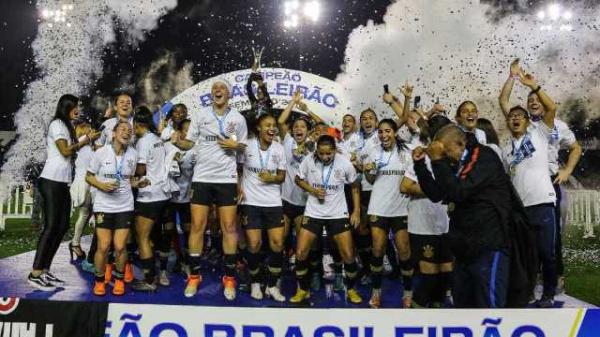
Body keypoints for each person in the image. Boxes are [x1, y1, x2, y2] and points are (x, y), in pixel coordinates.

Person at [499, 59, 582, 293]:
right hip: (523, 187)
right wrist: (513, 78)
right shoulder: (521, 127)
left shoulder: (552, 127)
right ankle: (532, 280)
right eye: (530, 102)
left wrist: (567, 171)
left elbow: (576, 148)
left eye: (537, 101)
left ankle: (556, 279)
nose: (534, 103)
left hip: (548, 183)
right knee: (526, 241)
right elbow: (504, 102)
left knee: (551, 240)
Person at [415, 124, 513, 308]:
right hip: (464, 248)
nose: (444, 157)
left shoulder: (483, 156)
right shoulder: (458, 162)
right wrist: (420, 166)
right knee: (463, 307)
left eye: (446, 152)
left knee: (489, 308)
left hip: (488, 246)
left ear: (460, 144)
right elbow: (437, 193)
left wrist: (437, 160)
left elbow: (458, 192)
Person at [171, 79, 248, 300]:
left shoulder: (238, 119)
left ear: (229, 94)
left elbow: (243, 148)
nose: (217, 90)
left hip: (226, 179)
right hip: (202, 178)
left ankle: (230, 278)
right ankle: (194, 276)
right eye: (214, 88)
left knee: (229, 227)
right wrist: (178, 142)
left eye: (222, 88)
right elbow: (190, 144)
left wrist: (236, 146)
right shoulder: (201, 115)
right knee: (197, 226)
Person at [28, 94, 100, 291]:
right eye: (75, 106)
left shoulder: (67, 125)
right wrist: (86, 139)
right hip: (51, 181)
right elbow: (66, 151)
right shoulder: (58, 124)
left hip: (62, 183)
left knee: (62, 227)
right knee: (51, 227)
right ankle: (35, 273)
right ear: (67, 107)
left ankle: (45, 271)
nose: (78, 109)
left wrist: (85, 139)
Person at [291, 135, 362, 304]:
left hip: (338, 213)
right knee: (300, 252)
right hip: (313, 212)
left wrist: (356, 211)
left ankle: (351, 289)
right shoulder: (308, 160)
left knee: (348, 255)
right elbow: (298, 179)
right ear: (316, 151)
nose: (325, 157)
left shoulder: (344, 162)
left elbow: (354, 186)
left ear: (334, 150)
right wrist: (312, 190)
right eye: (321, 153)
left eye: (328, 153)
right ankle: (302, 289)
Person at [85, 121, 146, 296]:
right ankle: (99, 280)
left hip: (125, 206)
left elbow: (129, 180)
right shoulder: (100, 153)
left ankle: (119, 279)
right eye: (122, 129)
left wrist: (139, 183)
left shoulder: (133, 154)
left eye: (129, 131)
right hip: (103, 205)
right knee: (103, 246)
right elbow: (89, 177)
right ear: (113, 133)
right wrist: (101, 185)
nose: (126, 133)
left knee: (120, 247)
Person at [400, 115, 453, 308]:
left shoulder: (453, 158)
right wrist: (437, 190)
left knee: (446, 275)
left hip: (446, 224)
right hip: (423, 225)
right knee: (429, 278)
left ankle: (436, 318)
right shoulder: (421, 155)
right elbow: (405, 186)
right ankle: (415, 316)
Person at [363, 119, 412, 308]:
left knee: (404, 250)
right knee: (377, 249)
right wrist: (368, 171)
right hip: (379, 206)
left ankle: (407, 293)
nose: (384, 135)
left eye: (388, 131)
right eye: (381, 132)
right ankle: (376, 293)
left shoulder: (406, 152)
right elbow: (370, 178)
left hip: (401, 206)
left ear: (394, 132)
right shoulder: (373, 152)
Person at [239, 114, 287, 302]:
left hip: (273, 202)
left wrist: (272, 178)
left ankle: (273, 286)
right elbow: (237, 169)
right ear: (258, 128)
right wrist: (238, 188)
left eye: (274, 125)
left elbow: (282, 176)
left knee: (277, 244)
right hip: (251, 202)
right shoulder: (247, 146)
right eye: (267, 125)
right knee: (254, 245)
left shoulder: (279, 149)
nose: (272, 128)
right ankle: (255, 283)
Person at [131, 106, 172, 291]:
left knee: (142, 237)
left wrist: (127, 169)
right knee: (154, 236)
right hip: (163, 194)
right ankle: (157, 273)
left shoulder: (142, 142)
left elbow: (141, 169)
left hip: (149, 194)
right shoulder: (157, 139)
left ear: (138, 124)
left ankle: (149, 280)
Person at [163, 119, 196, 278]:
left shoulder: (195, 150)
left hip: (186, 199)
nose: (189, 134)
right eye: (186, 130)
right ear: (179, 132)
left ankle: (188, 263)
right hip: (169, 198)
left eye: (192, 131)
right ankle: (171, 264)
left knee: (189, 231)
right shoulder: (167, 147)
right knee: (169, 231)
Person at [69, 122, 95, 260]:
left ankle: (75, 242)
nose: (92, 132)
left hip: (83, 182)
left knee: (86, 214)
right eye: (89, 130)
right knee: (86, 214)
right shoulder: (83, 145)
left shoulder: (82, 145)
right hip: (85, 182)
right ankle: (75, 243)